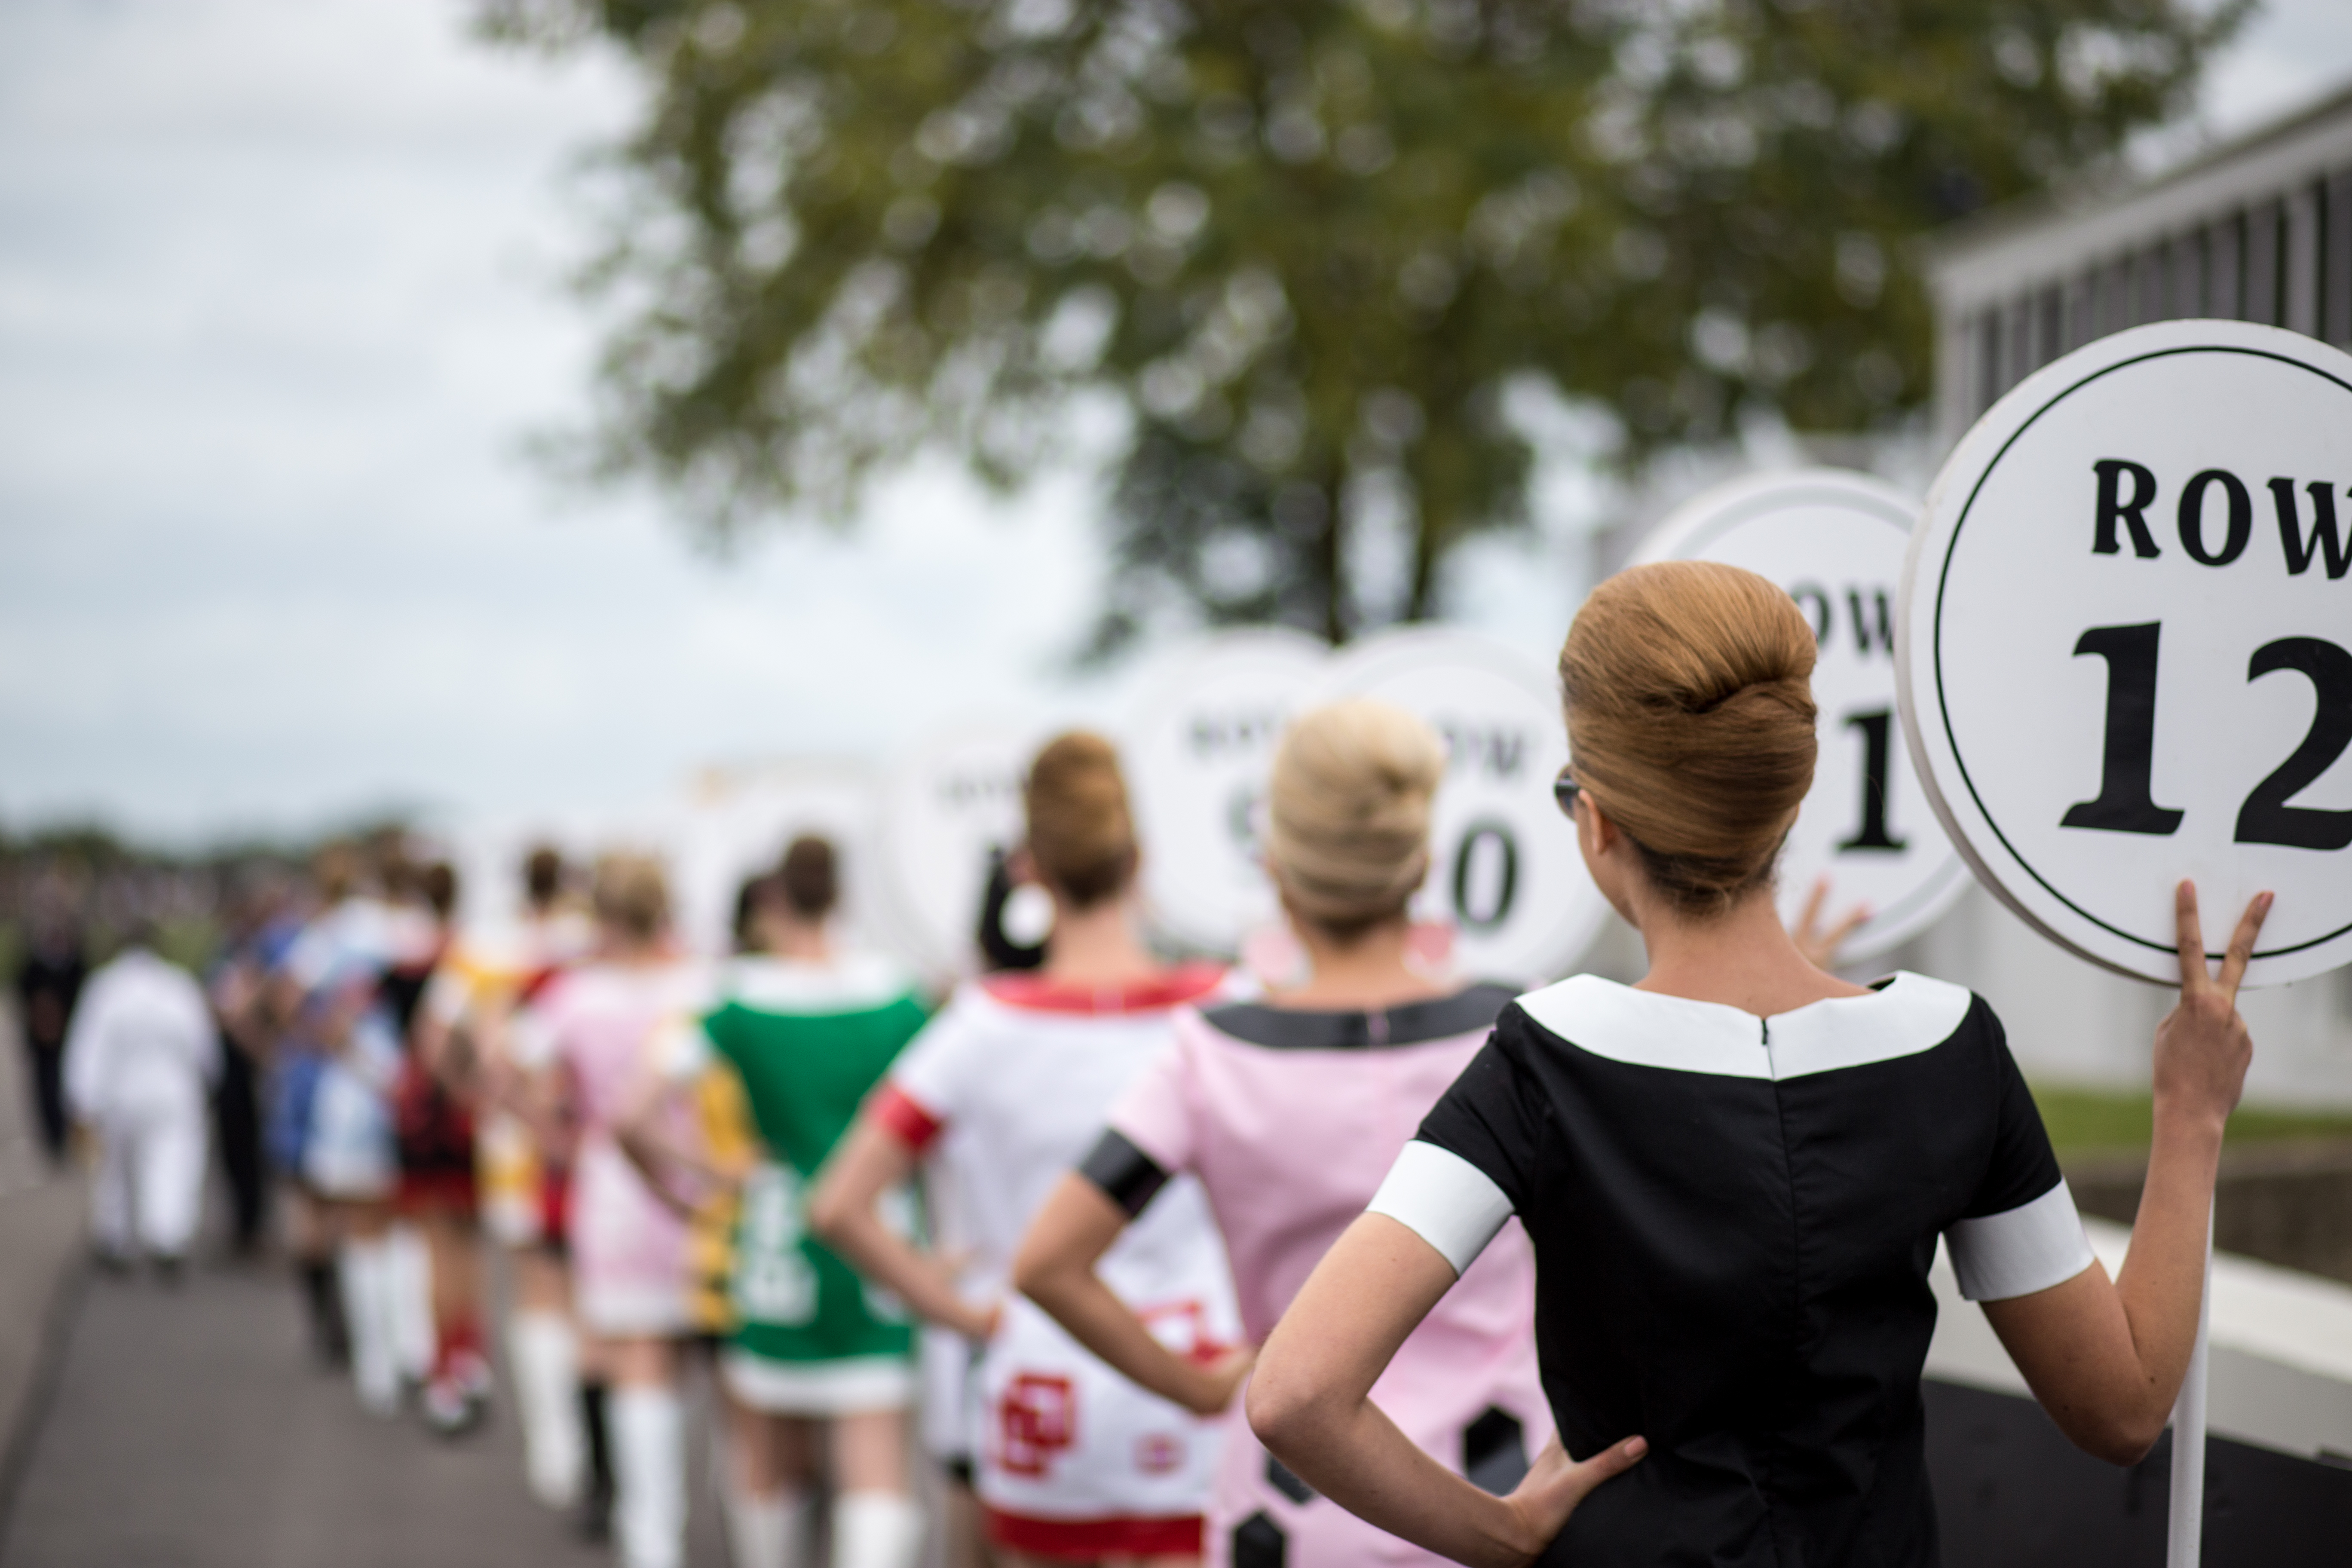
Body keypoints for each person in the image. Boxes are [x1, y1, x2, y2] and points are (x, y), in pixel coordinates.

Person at [1243, 560, 2274, 1568]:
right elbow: (2123, 1406)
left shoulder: (1541, 1062)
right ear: (1785, 808)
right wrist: (2188, 1118)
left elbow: (1294, 1395)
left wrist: (1500, 1532)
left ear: (1595, 821)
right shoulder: (1949, 1051)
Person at [1015, 701, 1550, 1568]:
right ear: (1423, 864)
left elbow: (1047, 1263)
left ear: (1275, 868)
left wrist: (1196, 1389)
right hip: (1500, 1498)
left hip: (1294, 1506)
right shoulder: (1529, 1029)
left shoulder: (1209, 1052)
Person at [811, 732, 1242, 1568]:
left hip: (1045, 1390)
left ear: (1027, 868)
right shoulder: (1226, 1010)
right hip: (1200, 1383)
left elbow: (836, 1206)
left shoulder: (982, 1025)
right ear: (1140, 859)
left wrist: (968, 1315)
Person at [625, 838, 933, 1568]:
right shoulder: (901, 993)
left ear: (772, 900)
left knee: (767, 1454)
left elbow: (629, 1113)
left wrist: (694, 1183)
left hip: (774, 1233)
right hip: (879, 1238)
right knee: (875, 1458)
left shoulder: (736, 998)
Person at [513, 853, 710, 1568]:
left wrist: (558, 1138)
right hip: (697, 1175)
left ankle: (647, 1533)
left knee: (628, 1352)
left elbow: (519, 1072)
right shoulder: (702, 983)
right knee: (692, 1350)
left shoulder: (573, 995)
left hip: (613, 1180)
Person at [64, 928, 219, 1275]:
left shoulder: (105, 987)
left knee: (113, 1170)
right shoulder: (178, 985)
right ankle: (168, 1236)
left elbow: (87, 1047)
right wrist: (209, 1082)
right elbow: (202, 1042)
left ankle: (113, 1236)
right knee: (172, 1164)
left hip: (118, 1093)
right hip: (173, 1092)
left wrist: (82, 1099)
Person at [14, 900, 87, 1168]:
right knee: (44, 1089)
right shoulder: (34, 964)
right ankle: (52, 1139)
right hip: (42, 1042)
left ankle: (70, 1136)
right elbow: (23, 993)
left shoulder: (75, 963)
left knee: (71, 1087)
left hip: (69, 1038)